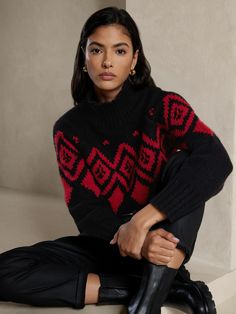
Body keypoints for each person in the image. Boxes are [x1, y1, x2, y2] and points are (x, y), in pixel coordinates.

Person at [0, 6, 233, 314]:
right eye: (97, 50)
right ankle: (171, 288)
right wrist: (134, 240)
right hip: (109, 245)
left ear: (134, 59)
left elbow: (217, 160)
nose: (107, 61)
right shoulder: (69, 129)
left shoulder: (164, 106)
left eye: (119, 50)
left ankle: (147, 302)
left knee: (185, 163)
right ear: (84, 58)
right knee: (6, 269)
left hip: (164, 239)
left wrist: (143, 222)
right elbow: (85, 210)